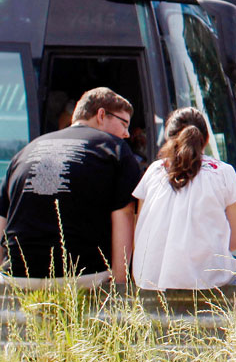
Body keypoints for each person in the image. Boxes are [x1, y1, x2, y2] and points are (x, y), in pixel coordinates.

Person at [0, 87, 139, 288]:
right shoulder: (115, 149)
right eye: (124, 123)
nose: (126, 134)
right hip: (81, 276)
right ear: (101, 114)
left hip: (17, 277)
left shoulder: (27, 150)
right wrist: (120, 283)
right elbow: (124, 214)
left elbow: (2, 219)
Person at [131, 108, 236, 290]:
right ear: (206, 140)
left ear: (168, 139)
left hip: (149, 284)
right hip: (208, 287)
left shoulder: (153, 171)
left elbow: (139, 232)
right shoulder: (223, 172)